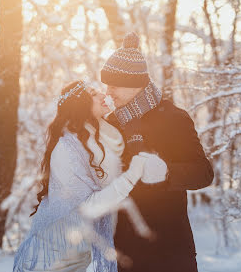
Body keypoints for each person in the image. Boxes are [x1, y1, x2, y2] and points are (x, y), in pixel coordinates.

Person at [13, 80, 160, 272]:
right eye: (94, 94)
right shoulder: (67, 147)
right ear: (80, 104)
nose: (103, 95)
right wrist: (132, 175)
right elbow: (88, 206)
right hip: (55, 251)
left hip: (78, 248)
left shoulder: (100, 137)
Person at [100, 32, 215, 272]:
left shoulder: (174, 118)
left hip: (170, 251)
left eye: (114, 85)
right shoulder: (111, 124)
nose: (108, 92)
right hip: (126, 253)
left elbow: (203, 173)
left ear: (135, 83)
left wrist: (166, 172)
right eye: (106, 85)